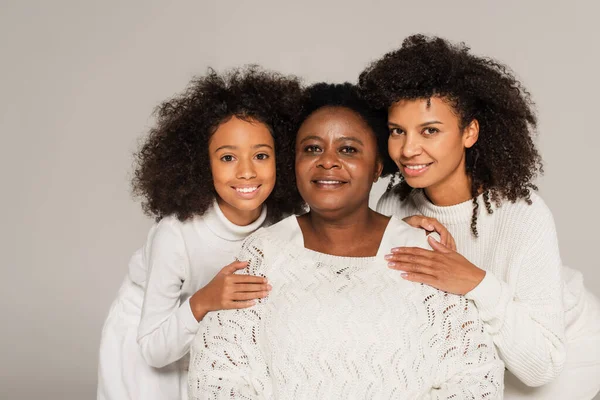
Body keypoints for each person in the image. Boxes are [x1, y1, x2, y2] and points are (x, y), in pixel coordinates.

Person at [188, 83, 504, 399]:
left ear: (378, 165)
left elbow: (474, 378)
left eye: (348, 149)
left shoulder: (422, 251)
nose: (328, 161)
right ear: (293, 162)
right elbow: (219, 377)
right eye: (312, 148)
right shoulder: (262, 254)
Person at [359, 34, 600, 400]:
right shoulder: (395, 205)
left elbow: (541, 365)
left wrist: (472, 280)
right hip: (477, 358)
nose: (408, 149)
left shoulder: (522, 213)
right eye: (397, 131)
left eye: (430, 131)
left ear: (469, 132)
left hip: (562, 352)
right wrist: (386, 237)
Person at [96, 66, 306, 400]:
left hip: (214, 338)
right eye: (227, 157)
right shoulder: (175, 236)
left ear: (281, 159)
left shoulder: (284, 224)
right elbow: (153, 349)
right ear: (200, 163)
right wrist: (205, 300)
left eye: (261, 155)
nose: (247, 171)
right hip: (147, 341)